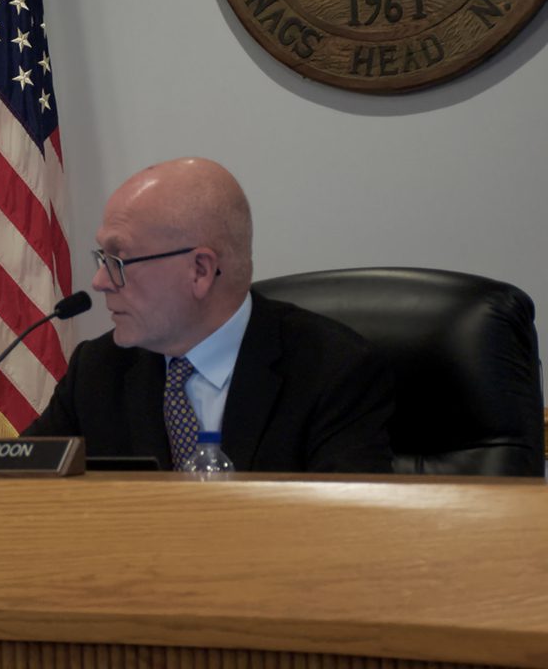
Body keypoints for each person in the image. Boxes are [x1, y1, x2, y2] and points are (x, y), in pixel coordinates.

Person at [23, 157, 394, 472]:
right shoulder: (99, 370)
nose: (100, 281)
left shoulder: (332, 370)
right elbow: (20, 490)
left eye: (118, 260)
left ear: (200, 270)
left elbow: (348, 532)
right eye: (103, 259)